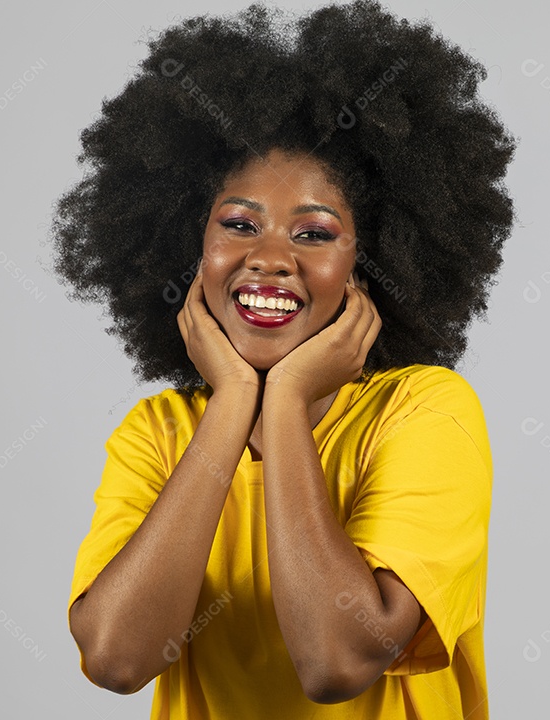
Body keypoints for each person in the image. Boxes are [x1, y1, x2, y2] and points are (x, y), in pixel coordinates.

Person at [53, 2, 515, 717]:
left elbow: (338, 660)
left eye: (315, 233)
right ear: (189, 243)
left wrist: (288, 399)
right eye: (238, 224)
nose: (268, 259)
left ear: (376, 260)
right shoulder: (159, 434)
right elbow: (116, 658)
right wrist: (236, 397)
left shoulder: (425, 413)